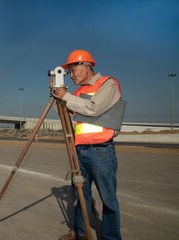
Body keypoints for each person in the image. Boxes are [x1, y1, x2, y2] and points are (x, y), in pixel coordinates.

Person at [53, 50, 123, 240]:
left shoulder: (107, 83)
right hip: (80, 150)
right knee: (80, 195)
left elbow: (93, 108)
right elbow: (71, 116)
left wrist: (66, 96)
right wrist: (60, 99)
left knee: (108, 199)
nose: (72, 75)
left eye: (74, 70)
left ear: (86, 66)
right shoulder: (77, 92)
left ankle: (111, 237)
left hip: (101, 152)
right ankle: (79, 233)